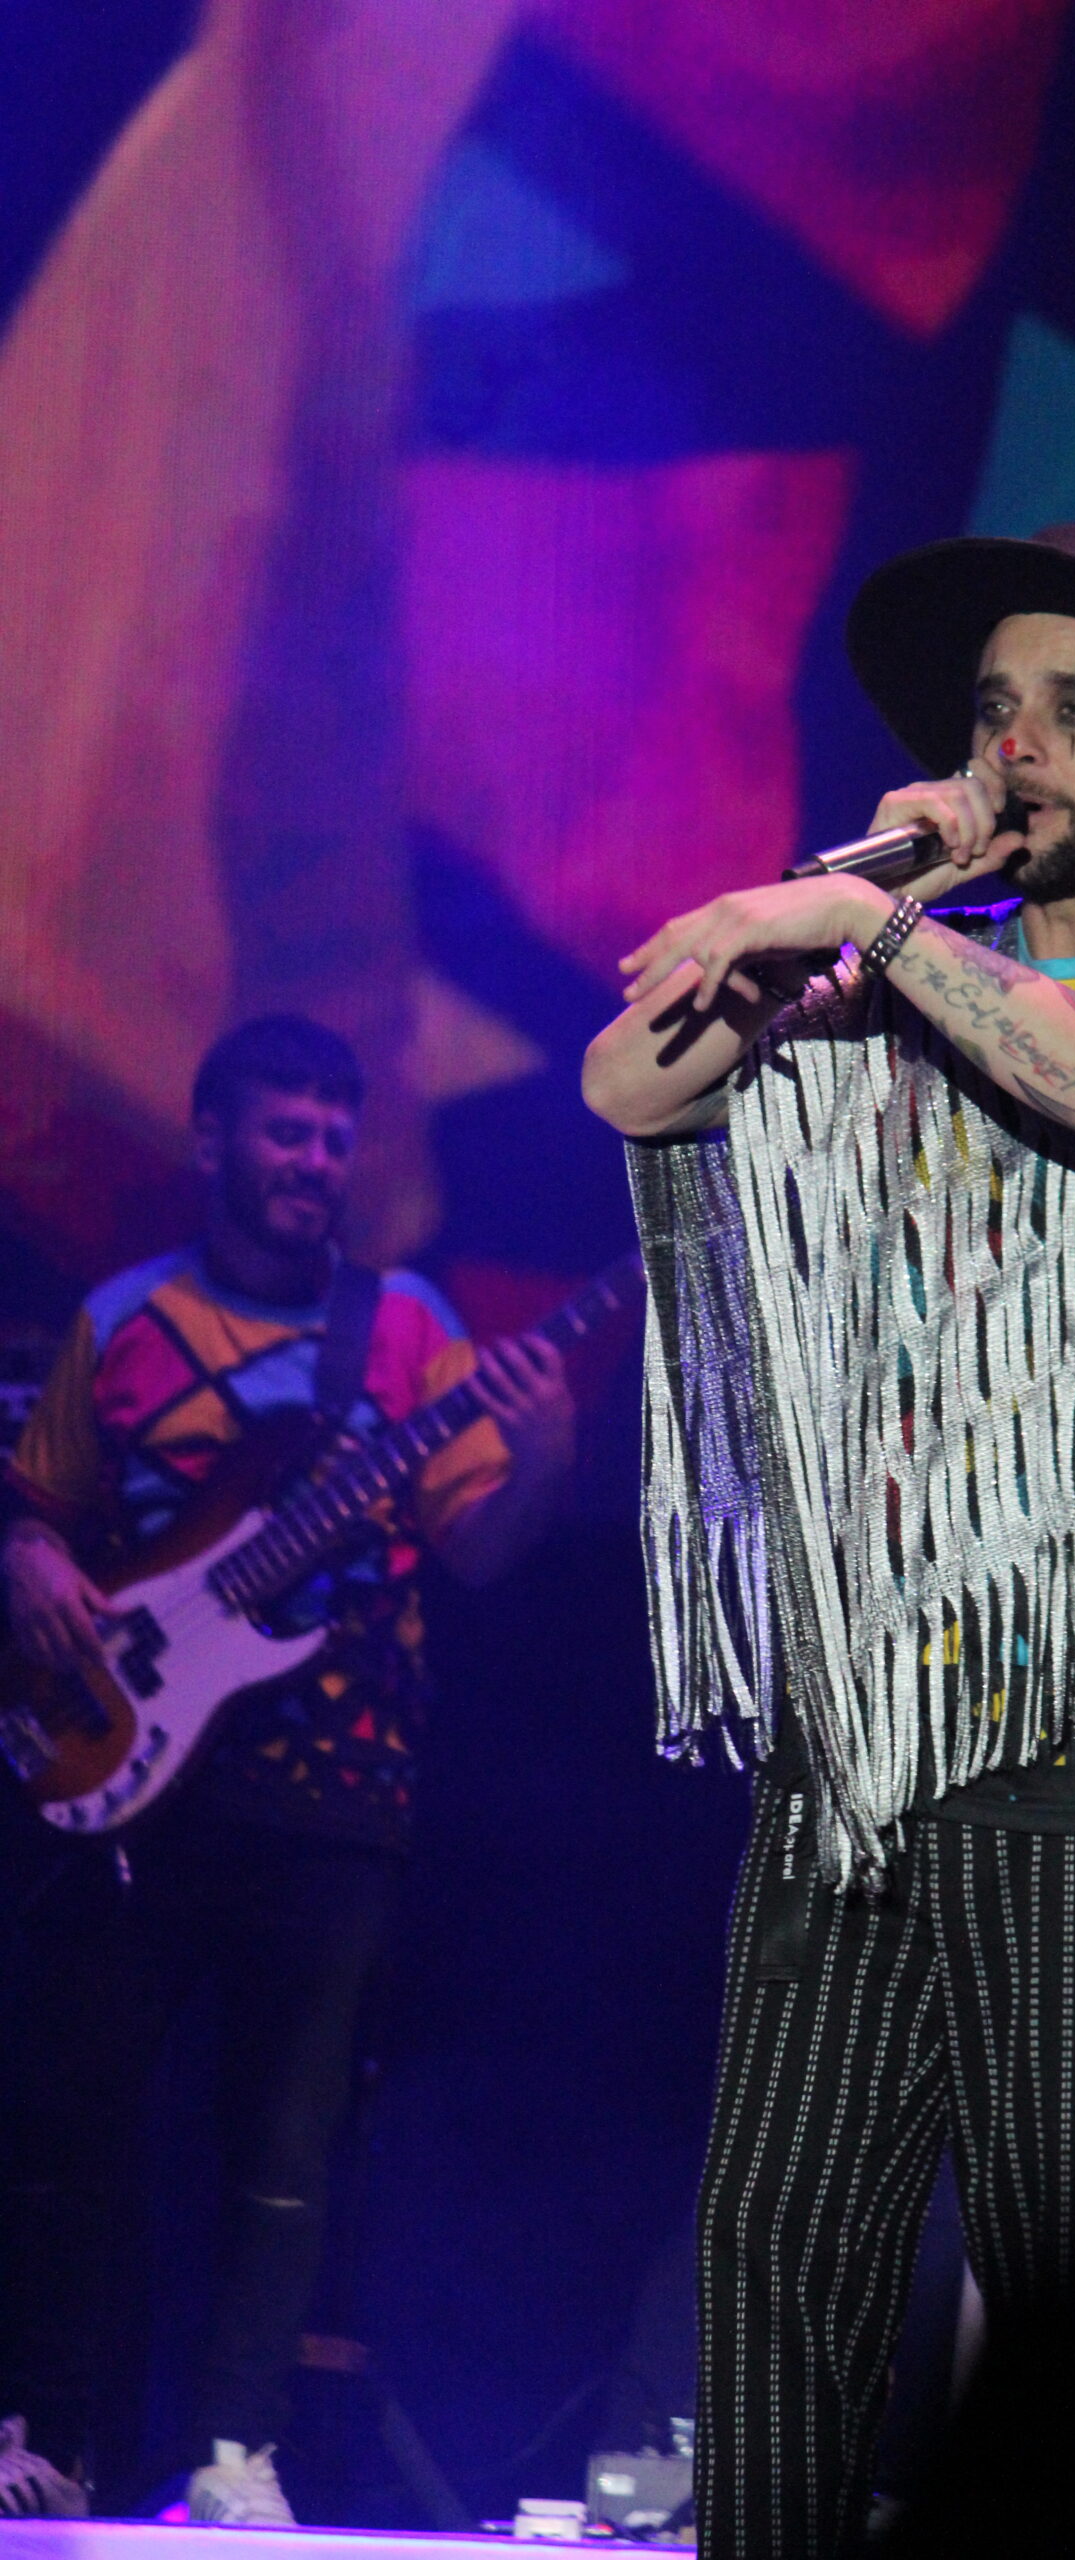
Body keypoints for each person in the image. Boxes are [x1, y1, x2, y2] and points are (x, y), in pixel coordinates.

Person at [583, 522, 1075, 2556]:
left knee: (1058, 2273)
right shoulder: (885, 966)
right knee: (777, 2249)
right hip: (868, 1728)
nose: (1019, 745)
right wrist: (857, 895)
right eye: (995, 708)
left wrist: (876, 921)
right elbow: (631, 1085)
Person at [0, 1014, 576, 2524]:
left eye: (335, 1133)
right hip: (128, 1781)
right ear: (214, 1141)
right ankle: (44, 2431)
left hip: (339, 1794)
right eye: (286, 1129)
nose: (317, 1158)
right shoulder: (123, 1317)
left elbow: (481, 1551)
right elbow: (37, 1508)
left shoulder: (407, 1328)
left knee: (286, 2141)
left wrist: (545, 1453)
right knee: (74, 2122)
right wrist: (27, 1557)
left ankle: (233, 2455)